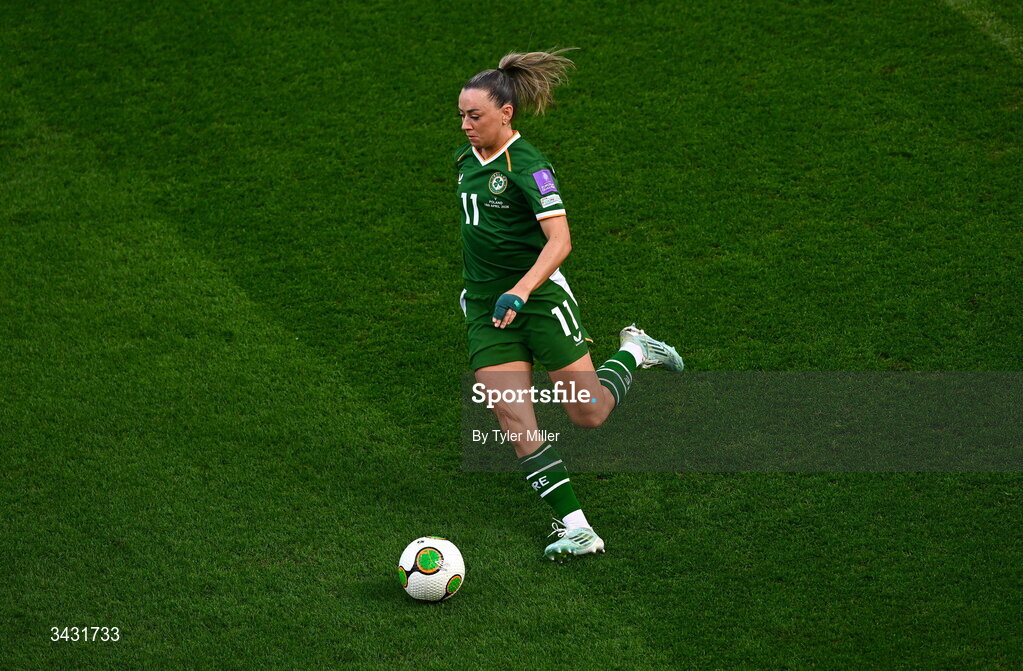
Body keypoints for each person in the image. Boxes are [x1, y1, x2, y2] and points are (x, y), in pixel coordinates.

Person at [455, 49, 684, 562]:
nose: (466, 125)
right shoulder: (465, 160)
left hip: (536, 301)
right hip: (487, 312)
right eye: (462, 115)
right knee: (515, 421)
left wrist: (522, 289)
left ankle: (634, 352)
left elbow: (559, 241)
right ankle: (578, 527)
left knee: (587, 413)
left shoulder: (531, 168)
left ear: (505, 113)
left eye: (476, 115)